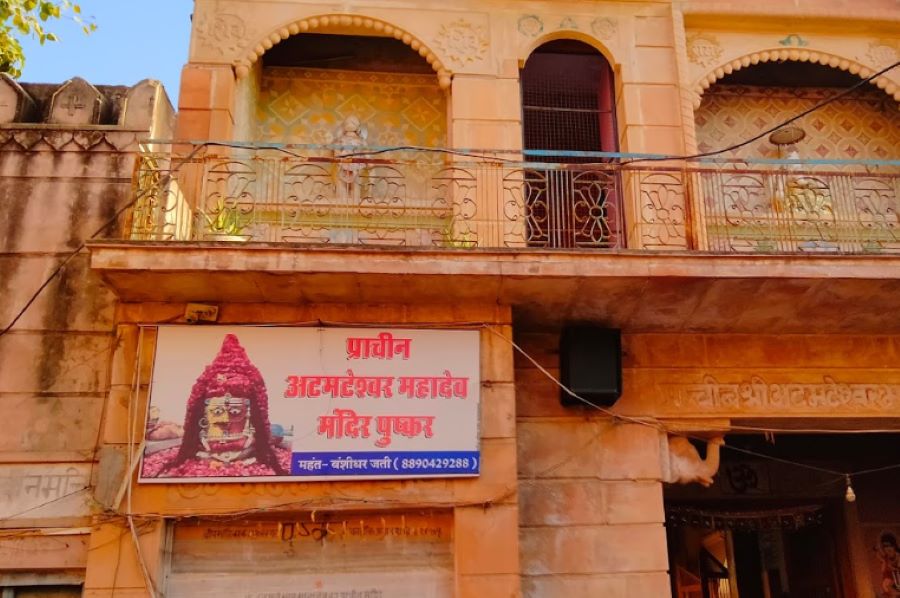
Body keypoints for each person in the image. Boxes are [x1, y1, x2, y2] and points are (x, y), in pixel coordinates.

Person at [141, 334, 290, 478]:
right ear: (203, 415)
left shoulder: (286, 462)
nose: (224, 421)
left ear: (251, 417)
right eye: (217, 411)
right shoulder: (164, 467)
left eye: (235, 411)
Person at [880, 532, 900, 597]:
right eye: (885, 547)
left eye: (889, 546)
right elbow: (885, 577)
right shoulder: (885, 561)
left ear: (894, 546)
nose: (887, 549)